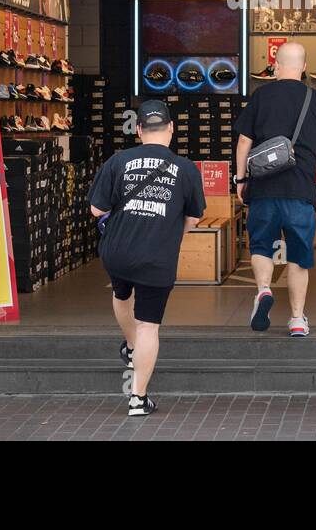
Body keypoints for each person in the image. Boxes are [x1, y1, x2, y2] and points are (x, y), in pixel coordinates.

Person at [89, 99, 205, 416]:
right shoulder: (186, 169)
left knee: (121, 292)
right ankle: (138, 399)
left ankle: (130, 348)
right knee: (148, 327)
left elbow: (97, 210)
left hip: (117, 251)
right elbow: (194, 217)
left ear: (138, 130)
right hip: (157, 255)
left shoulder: (117, 161)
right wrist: (170, 235)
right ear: (171, 128)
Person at [233, 41, 316, 337]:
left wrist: (240, 180)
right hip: (301, 191)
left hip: (264, 189)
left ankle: (264, 290)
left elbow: (244, 142)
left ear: (275, 65)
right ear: (304, 68)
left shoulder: (260, 96)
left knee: (261, 246)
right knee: (298, 257)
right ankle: (295, 319)